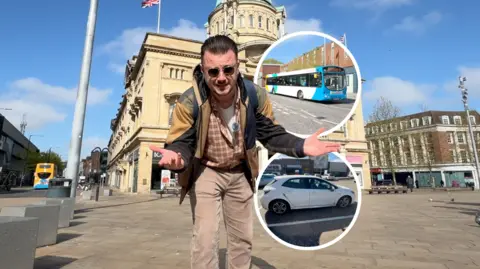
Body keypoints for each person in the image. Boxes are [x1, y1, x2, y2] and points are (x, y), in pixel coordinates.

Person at [150, 35, 341, 269]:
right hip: (206, 171)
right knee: (205, 236)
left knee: (242, 238)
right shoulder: (190, 101)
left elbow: (271, 133)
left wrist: (301, 146)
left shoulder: (255, 95)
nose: (221, 78)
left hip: (240, 170)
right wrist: (177, 157)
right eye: (213, 72)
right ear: (203, 69)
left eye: (228, 69)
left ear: (238, 66)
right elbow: (183, 141)